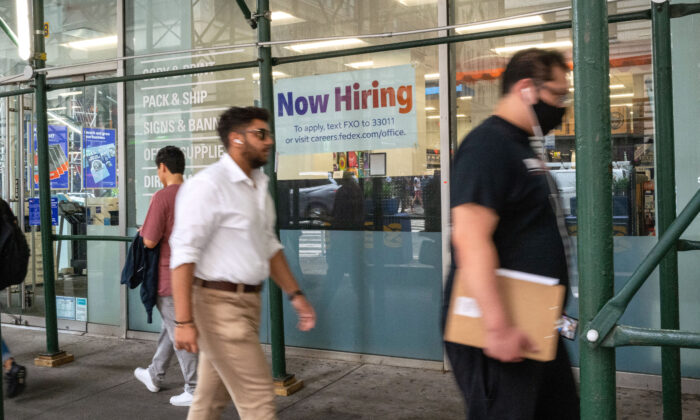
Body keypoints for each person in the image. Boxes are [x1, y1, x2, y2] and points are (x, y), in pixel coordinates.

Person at [443, 48, 579, 419]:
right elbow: (470, 239)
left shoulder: (522, 147)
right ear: (525, 89)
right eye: (557, 95)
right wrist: (498, 327)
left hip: (534, 320)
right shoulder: (487, 146)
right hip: (498, 329)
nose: (562, 105)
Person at [170, 106, 316, 420]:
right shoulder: (209, 185)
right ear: (236, 139)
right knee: (259, 403)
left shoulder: (258, 185)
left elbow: (269, 246)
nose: (268, 141)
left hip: (247, 305)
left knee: (208, 402)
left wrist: (296, 295)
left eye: (268, 134)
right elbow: (183, 256)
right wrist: (183, 322)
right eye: (260, 134)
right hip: (218, 307)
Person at [133, 146, 197, 407]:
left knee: (179, 329)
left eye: (158, 169)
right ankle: (155, 374)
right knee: (171, 328)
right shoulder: (194, 194)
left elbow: (149, 240)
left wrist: (142, 232)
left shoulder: (162, 197)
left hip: (170, 278)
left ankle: (194, 388)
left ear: (162, 167)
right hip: (195, 275)